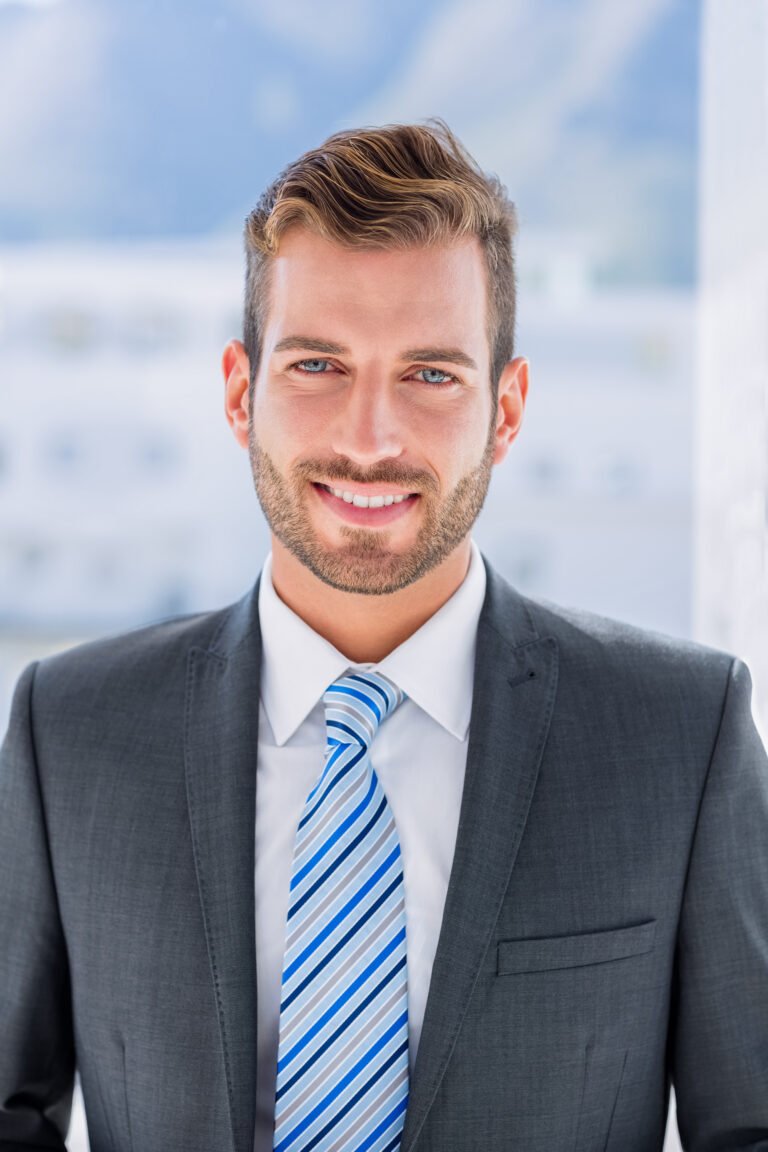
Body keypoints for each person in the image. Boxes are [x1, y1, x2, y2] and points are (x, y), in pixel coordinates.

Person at [1, 120, 766, 1152]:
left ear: (506, 408)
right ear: (241, 393)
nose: (370, 439)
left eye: (432, 375)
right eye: (318, 364)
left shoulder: (681, 734)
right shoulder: (71, 735)